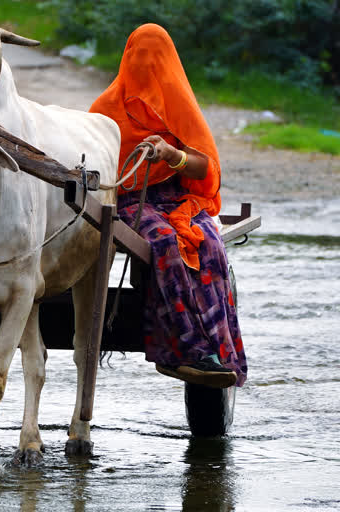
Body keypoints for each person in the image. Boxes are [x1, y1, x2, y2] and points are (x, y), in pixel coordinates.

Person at [89, 24, 247, 388]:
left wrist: (173, 155)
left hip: (180, 198)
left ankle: (219, 352)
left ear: (168, 63)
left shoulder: (178, 105)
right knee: (162, 242)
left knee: (210, 245)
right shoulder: (104, 110)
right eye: (138, 58)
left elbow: (205, 165)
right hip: (129, 199)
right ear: (127, 60)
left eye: (154, 59)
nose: (146, 66)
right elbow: (94, 168)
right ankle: (184, 351)